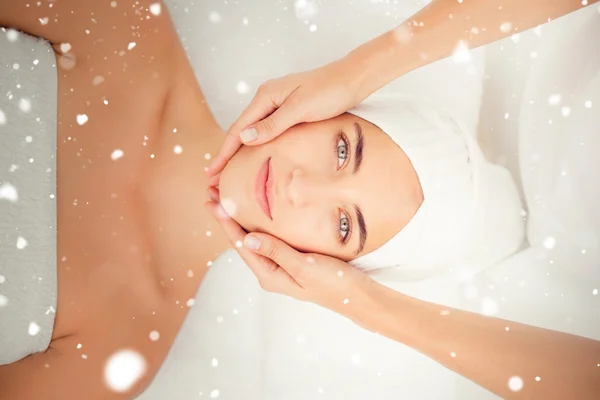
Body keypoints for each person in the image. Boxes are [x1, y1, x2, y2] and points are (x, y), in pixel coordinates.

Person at [0, 2, 598, 400]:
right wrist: (366, 64)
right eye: (344, 151)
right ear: (327, 106)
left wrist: (368, 308)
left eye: (343, 225)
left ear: (328, 270)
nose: (300, 188)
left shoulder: (120, 351)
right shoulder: (122, 27)